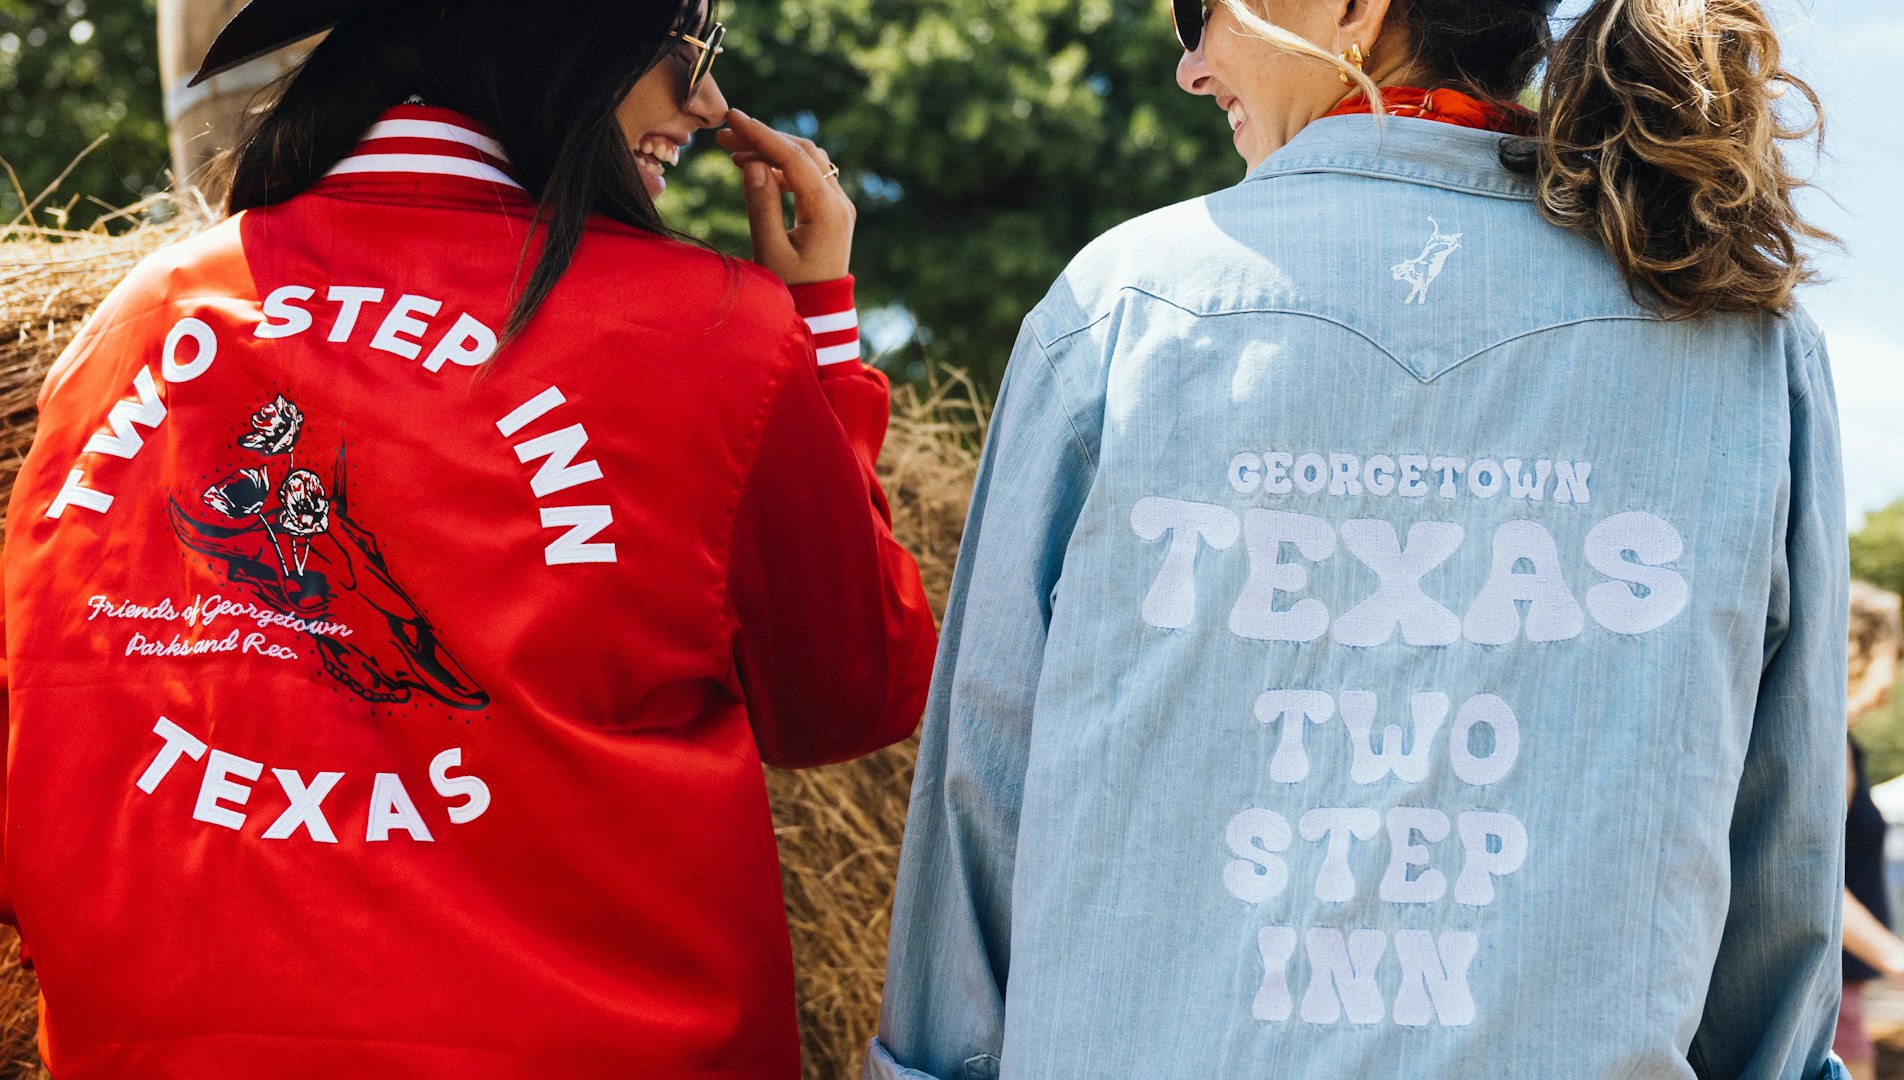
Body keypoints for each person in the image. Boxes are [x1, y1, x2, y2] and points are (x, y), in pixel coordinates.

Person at [870, 0, 1847, 1077]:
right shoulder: (1738, 339)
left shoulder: (1121, 311)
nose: (1191, 68)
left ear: (1348, 9)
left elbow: (985, 777)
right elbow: (1781, 843)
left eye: (1199, 14)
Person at [0, 0, 937, 1075]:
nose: (709, 101)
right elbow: (850, 690)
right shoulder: (714, 333)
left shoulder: (135, 322)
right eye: (679, 45)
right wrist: (816, 326)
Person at [1840, 581, 1904, 1080]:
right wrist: (1896, 958)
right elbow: (1807, 874)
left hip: (1844, 989)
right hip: (1826, 989)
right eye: (1895, 651)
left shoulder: (1843, 745)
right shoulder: (1828, 748)